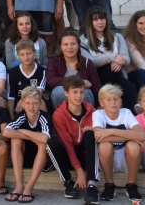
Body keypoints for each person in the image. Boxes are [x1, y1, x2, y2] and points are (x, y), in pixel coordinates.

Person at [47, 76, 99, 204]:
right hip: (69, 155)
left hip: (87, 155)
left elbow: (100, 133)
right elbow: (67, 144)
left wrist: (94, 129)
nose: (78, 96)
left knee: (90, 134)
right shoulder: (59, 114)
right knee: (52, 143)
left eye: (81, 92)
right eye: (74, 92)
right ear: (66, 93)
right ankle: (68, 182)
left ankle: (92, 184)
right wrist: (79, 171)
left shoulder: (92, 111)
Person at [92, 84, 145, 202]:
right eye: (108, 99)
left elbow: (141, 135)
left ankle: (131, 185)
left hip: (126, 157)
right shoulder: (98, 114)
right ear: (101, 103)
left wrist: (110, 131)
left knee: (133, 145)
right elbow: (98, 137)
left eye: (116, 99)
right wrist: (129, 136)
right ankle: (109, 185)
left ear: (120, 102)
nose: (113, 102)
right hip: (107, 158)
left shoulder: (126, 113)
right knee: (104, 146)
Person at [80, 6, 137, 111]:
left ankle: (132, 118)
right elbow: (90, 62)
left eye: (102, 18)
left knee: (130, 88)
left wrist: (118, 62)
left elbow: (126, 59)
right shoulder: (83, 41)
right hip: (98, 78)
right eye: (95, 19)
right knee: (109, 70)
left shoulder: (117, 37)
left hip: (118, 74)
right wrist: (112, 58)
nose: (100, 22)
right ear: (90, 22)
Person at [3, 87, 51, 202]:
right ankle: (19, 186)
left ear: (40, 104)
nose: (31, 107)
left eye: (35, 103)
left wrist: (23, 131)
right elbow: (6, 132)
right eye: (28, 103)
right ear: (23, 104)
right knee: (15, 140)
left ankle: (29, 187)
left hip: (44, 158)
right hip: (25, 155)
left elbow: (44, 138)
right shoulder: (22, 116)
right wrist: (31, 137)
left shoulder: (44, 117)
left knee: (42, 144)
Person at [47, 30, 101, 107]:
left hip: (84, 99)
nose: (70, 47)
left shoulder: (87, 63)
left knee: (84, 92)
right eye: (66, 44)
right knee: (58, 92)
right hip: (63, 97)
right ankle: (60, 117)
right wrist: (78, 82)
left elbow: (96, 87)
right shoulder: (54, 61)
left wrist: (99, 106)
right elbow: (50, 80)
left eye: (73, 44)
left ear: (78, 45)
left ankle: (86, 117)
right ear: (60, 47)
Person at [6, 39, 48, 119]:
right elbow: (10, 98)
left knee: (41, 102)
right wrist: (12, 119)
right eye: (22, 54)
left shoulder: (41, 71)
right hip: (19, 107)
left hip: (35, 104)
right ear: (18, 55)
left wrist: (23, 100)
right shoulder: (13, 72)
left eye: (29, 53)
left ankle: (45, 126)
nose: (26, 57)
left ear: (34, 53)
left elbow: (39, 93)